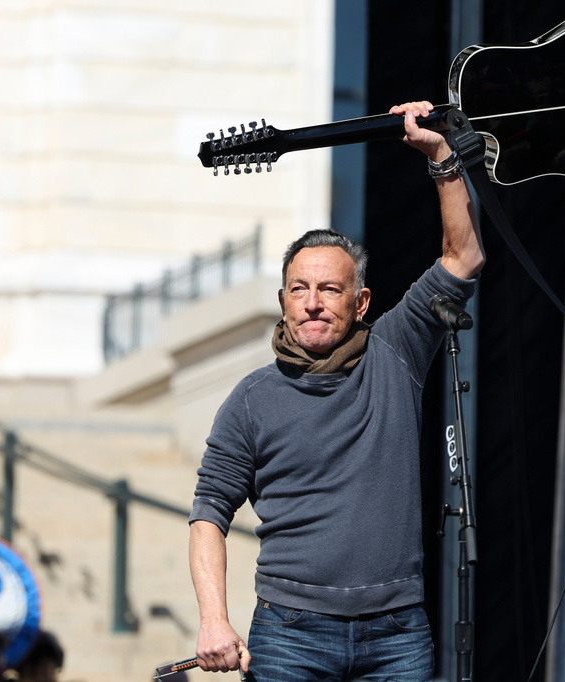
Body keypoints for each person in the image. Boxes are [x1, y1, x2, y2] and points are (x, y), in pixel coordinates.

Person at [188, 100, 486, 681]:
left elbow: (464, 256)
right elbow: (208, 514)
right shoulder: (251, 399)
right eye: (299, 289)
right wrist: (214, 620)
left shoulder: (395, 351)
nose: (313, 303)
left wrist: (441, 156)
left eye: (329, 289)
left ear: (361, 302)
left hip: (398, 634)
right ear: (283, 301)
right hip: (290, 634)